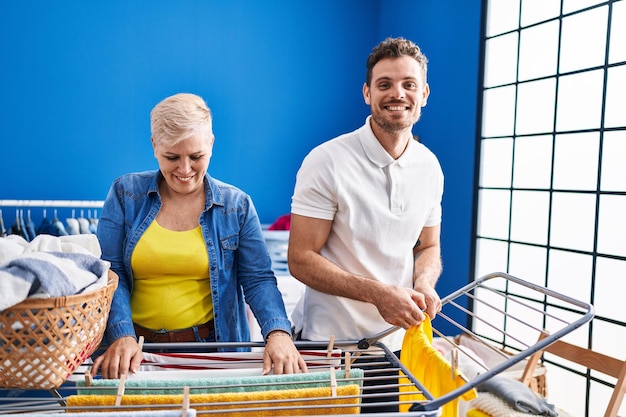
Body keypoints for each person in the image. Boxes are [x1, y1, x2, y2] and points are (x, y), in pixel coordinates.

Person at [92, 93, 307, 379]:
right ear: (155, 145)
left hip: (210, 352)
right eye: (172, 157)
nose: (184, 169)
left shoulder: (237, 206)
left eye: (196, 156)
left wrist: (278, 333)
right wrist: (122, 335)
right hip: (132, 351)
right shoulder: (125, 194)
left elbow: (257, 280)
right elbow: (110, 271)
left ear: (211, 145)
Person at [288, 37, 443, 410]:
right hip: (329, 348)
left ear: (423, 93)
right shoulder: (327, 160)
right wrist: (379, 294)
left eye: (408, 84)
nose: (397, 94)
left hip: (394, 345)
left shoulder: (430, 166)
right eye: (384, 84)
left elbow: (429, 246)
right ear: (367, 92)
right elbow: (300, 258)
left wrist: (423, 281)